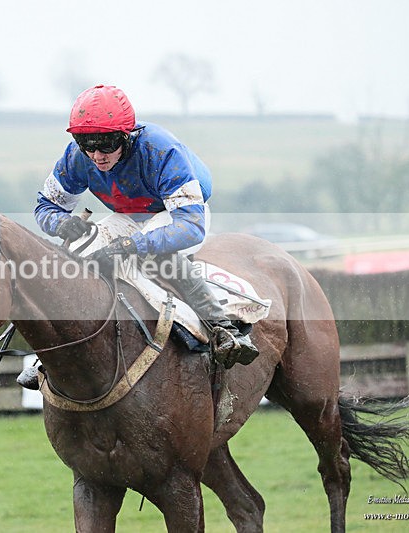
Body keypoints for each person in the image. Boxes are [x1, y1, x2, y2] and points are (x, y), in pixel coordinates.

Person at [17, 84, 258, 390]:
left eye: (106, 144)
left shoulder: (161, 151)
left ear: (126, 136)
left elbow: (190, 226)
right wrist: (60, 223)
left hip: (179, 213)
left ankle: (224, 329)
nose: (96, 155)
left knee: (161, 252)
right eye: (86, 145)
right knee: (81, 249)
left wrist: (135, 245)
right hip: (129, 214)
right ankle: (48, 357)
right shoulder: (77, 158)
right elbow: (46, 205)